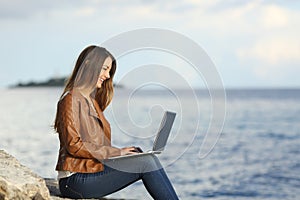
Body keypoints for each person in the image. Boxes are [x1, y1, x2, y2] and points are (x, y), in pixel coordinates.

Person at [54, 45, 179, 199]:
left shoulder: (92, 102)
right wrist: (117, 152)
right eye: (105, 69)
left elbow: (97, 148)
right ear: (88, 65)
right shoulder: (70, 100)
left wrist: (123, 156)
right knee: (146, 162)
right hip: (73, 179)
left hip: (92, 171)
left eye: (109, 71)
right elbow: (74, 146)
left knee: (147, 158)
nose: (107, 75)